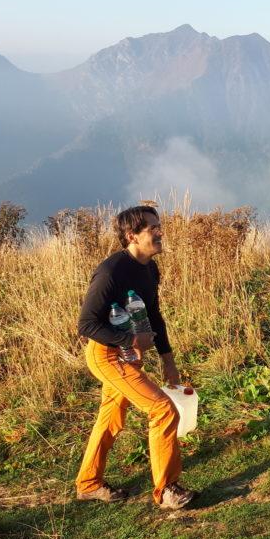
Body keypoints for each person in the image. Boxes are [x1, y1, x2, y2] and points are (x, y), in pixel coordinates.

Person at [75, 205, 195, 510]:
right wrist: (130, 339)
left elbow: (154, 315)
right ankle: (167, 490)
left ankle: (88, 484)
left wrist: (169, 361)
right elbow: (86, 325)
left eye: (159, 226)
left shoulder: (150, 268)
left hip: (129, 354)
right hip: (107, 355)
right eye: (152, 228)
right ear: (132, 235)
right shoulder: (110, 273)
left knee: (110, 417)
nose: (160, 232)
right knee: (162, 409)